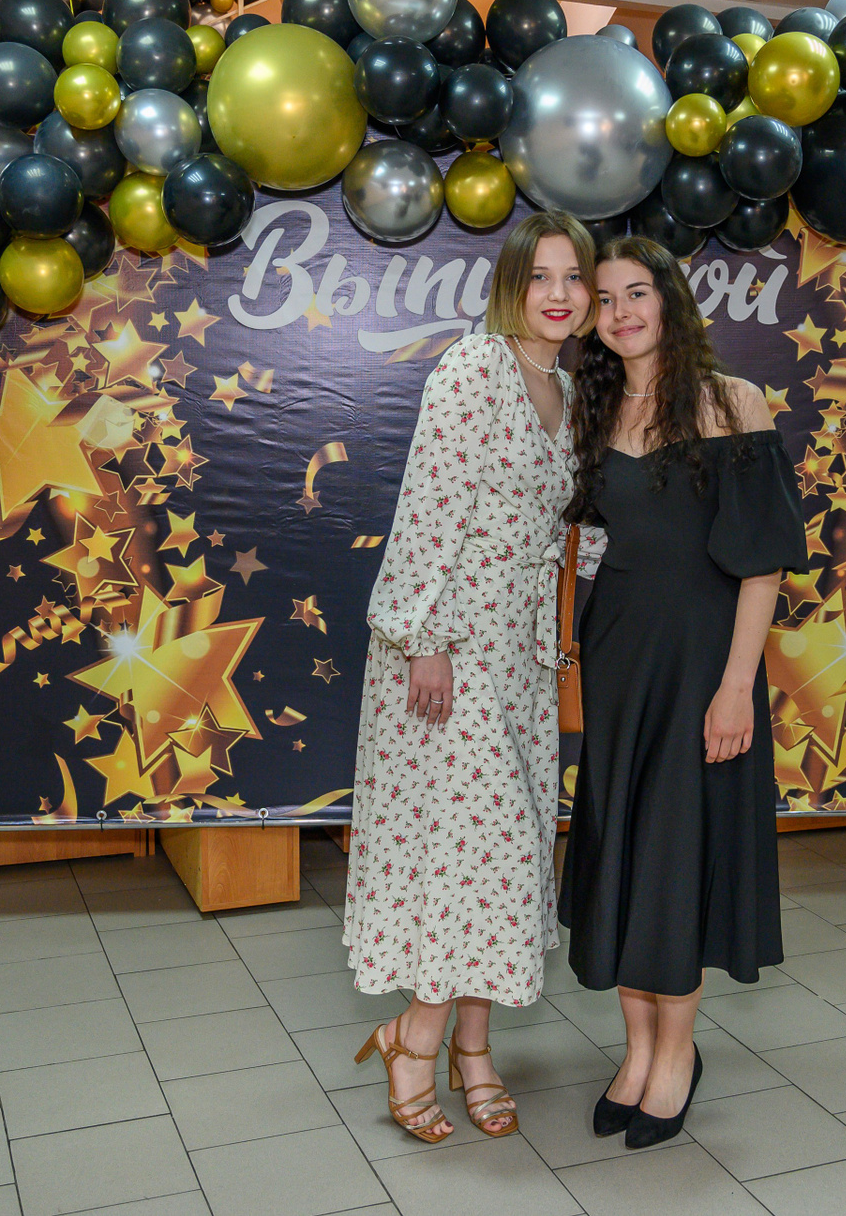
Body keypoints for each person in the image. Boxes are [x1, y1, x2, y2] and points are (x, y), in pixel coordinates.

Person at [344, 211, 599, 1144]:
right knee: (468, 849)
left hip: (521, 652)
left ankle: (473, 1049)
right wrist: (425, 636)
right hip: (448, 646)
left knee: (510, 853)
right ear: (512, 285)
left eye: (575, 277)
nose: (560, 294)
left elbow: (571, 527)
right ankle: (416, 1041)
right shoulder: (474, 367)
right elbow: (429, 507)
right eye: (542, 277)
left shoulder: (568, 388)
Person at [558, 235, 809, 1150]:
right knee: (624, 850)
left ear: (669, 299)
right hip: (619, 659)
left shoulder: (731, 401)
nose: (621, 312)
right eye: (604, 299)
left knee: (676, 853)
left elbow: (762, 565)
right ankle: (634, 1052)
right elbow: (585, 546)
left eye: (637, 292)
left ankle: (677, 1056)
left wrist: (737, 686)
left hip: (704, 663)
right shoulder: (593, 409)